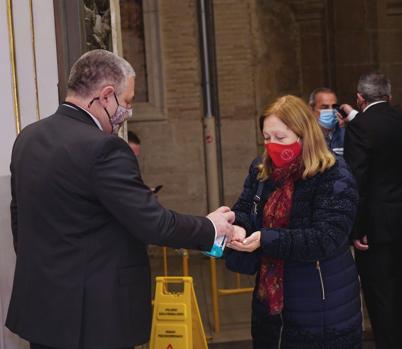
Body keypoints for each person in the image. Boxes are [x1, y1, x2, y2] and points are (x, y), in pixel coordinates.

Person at [7, 49, 234, 349]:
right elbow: (154, 224)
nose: (128, 112)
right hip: (95, 319)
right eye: (127, 102)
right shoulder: (104, 149)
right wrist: (210, 227)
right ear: (106, 95)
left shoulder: (28, 138)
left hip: (45, 313)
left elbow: (18, 217)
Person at [225, 95, 362, 348]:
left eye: (280, 137)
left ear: (304, 134)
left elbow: (327, 237)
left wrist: (266, 240)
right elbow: (247, 209)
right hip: (271, 307)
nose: (272, 145)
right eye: (266, 138)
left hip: (322, 306)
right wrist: (234, 225)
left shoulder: (333, 172)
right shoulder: (261, 169)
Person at [342, 72, 402, 348]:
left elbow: (357, 181)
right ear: (389, 94)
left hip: (376, 224)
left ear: (360, 98)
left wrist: (357, 228)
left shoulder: (360, 126)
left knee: (381, 293)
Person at [308, 87, 349, 157]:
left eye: (334, 107)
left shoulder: (346, 135)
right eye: (324, 107)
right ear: (311, 109)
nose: (331, 111)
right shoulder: (305, 136)